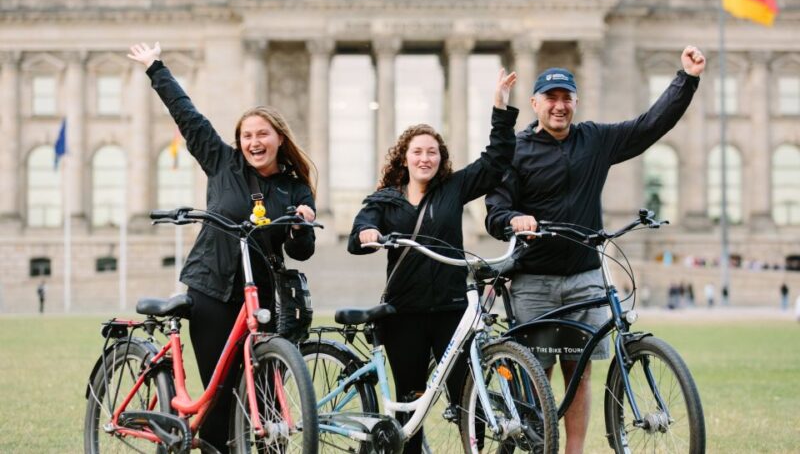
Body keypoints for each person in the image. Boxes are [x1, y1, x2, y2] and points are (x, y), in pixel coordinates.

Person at [485, 46, 706, 454]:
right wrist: (512, 221)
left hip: (586, 276)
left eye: (566, 97)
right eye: (550, 98)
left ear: (575, 102)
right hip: (533, 281)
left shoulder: (595, 139)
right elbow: (495, 210)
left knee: (579, 373)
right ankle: (536, 444)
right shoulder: (516, 150)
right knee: (536, 374)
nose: (559, 105)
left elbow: (648, 127)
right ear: (535, 103)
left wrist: (686, 79)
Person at [128, 42, 317, 453]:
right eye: (247, 135)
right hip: (211, 290)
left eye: (262, 134)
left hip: (262, 295)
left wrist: (302, 226)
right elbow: (188, 117)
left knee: (265, 396)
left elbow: (302, 251)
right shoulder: (221, 162)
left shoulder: (295, 188)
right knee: (220, 397)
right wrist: (155, 68)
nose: (254, 142)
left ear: (279, 139)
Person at [348, 69, 519, 454]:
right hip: (403, 312)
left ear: (440, 159)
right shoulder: (384, 200)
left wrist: (500, 109)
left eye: (432, 152)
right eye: (417, 151)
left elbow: (495, 162)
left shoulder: (453, 189)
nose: (425, 158)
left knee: (466, 395)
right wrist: (367, 234)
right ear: (404, 158)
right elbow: (361, 230)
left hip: (451, 309)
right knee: (411, 403)